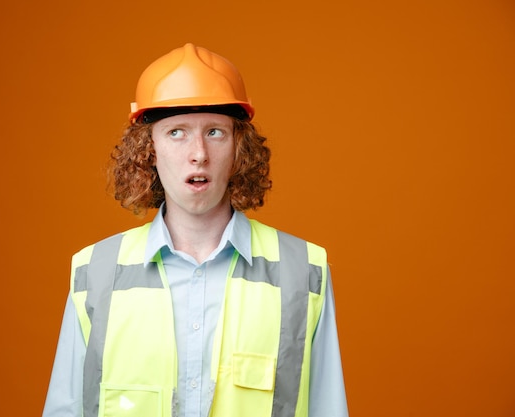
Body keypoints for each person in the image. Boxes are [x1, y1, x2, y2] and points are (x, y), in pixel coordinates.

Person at [43, 43, 348, 417]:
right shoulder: (95, 272)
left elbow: (328, 408)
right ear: (148, 148)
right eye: (177, 132)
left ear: (240, 147)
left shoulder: (304, 272)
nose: (199, 152)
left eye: (215, 132)